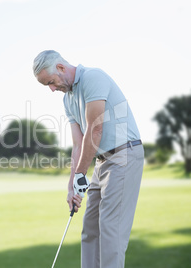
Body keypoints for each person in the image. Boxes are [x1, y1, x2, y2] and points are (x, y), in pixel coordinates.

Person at [33, 50, 144, 268]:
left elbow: (95, 129)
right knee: (90, 229)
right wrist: (72, 186)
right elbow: (78, 143)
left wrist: (81, 174)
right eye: (47, 85)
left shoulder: (93, 77)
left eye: (51, 82)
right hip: (102, 161)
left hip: (124, 154)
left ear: (61, 68)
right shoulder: (68, 99)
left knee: (111, 229)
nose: (52, 89)